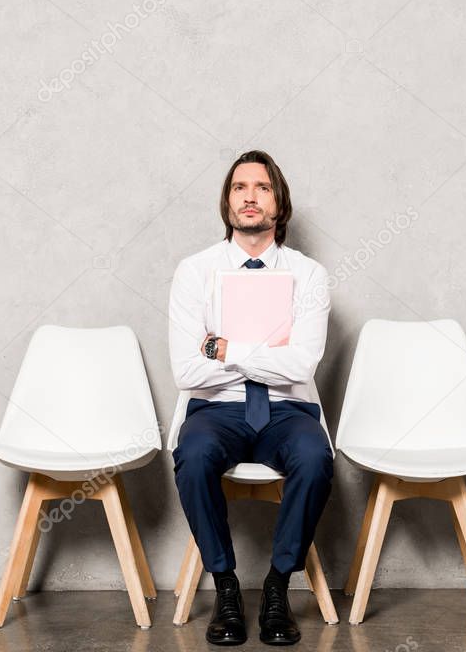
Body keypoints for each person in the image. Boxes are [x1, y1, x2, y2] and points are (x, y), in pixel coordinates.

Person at [167, 150, 333, 646]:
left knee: (315, 456)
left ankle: (279, 587)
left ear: (279, 203)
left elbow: (301, 365)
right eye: (240, 188)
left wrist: (225, 348)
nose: (250, 197)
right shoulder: (195, 271)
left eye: (262, 188)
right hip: (216, 408)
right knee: (192, 454)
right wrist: (267, 352)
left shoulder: (309, 275)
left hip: (287, 408)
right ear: (227, 201)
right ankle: (226, 587)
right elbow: (187, 369)